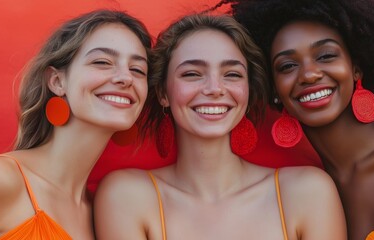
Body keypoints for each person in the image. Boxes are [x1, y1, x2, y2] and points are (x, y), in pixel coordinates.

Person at [212, 0, 374, 239]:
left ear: (356, 67)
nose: (309, 74)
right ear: (273, 88)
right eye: (287, 66)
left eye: (326, 56)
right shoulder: (306, 199)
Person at [94, 13, 346, 240]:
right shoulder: (126, 196)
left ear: (248, 92)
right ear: (163, 93)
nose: (215, 89)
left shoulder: (308, 191)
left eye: (232, 74)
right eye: (192, 74)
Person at [0, 9, 151, 239]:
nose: (125, 78)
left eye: (137, 69)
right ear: (58, 81)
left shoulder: (103, 215)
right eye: (102, 62)